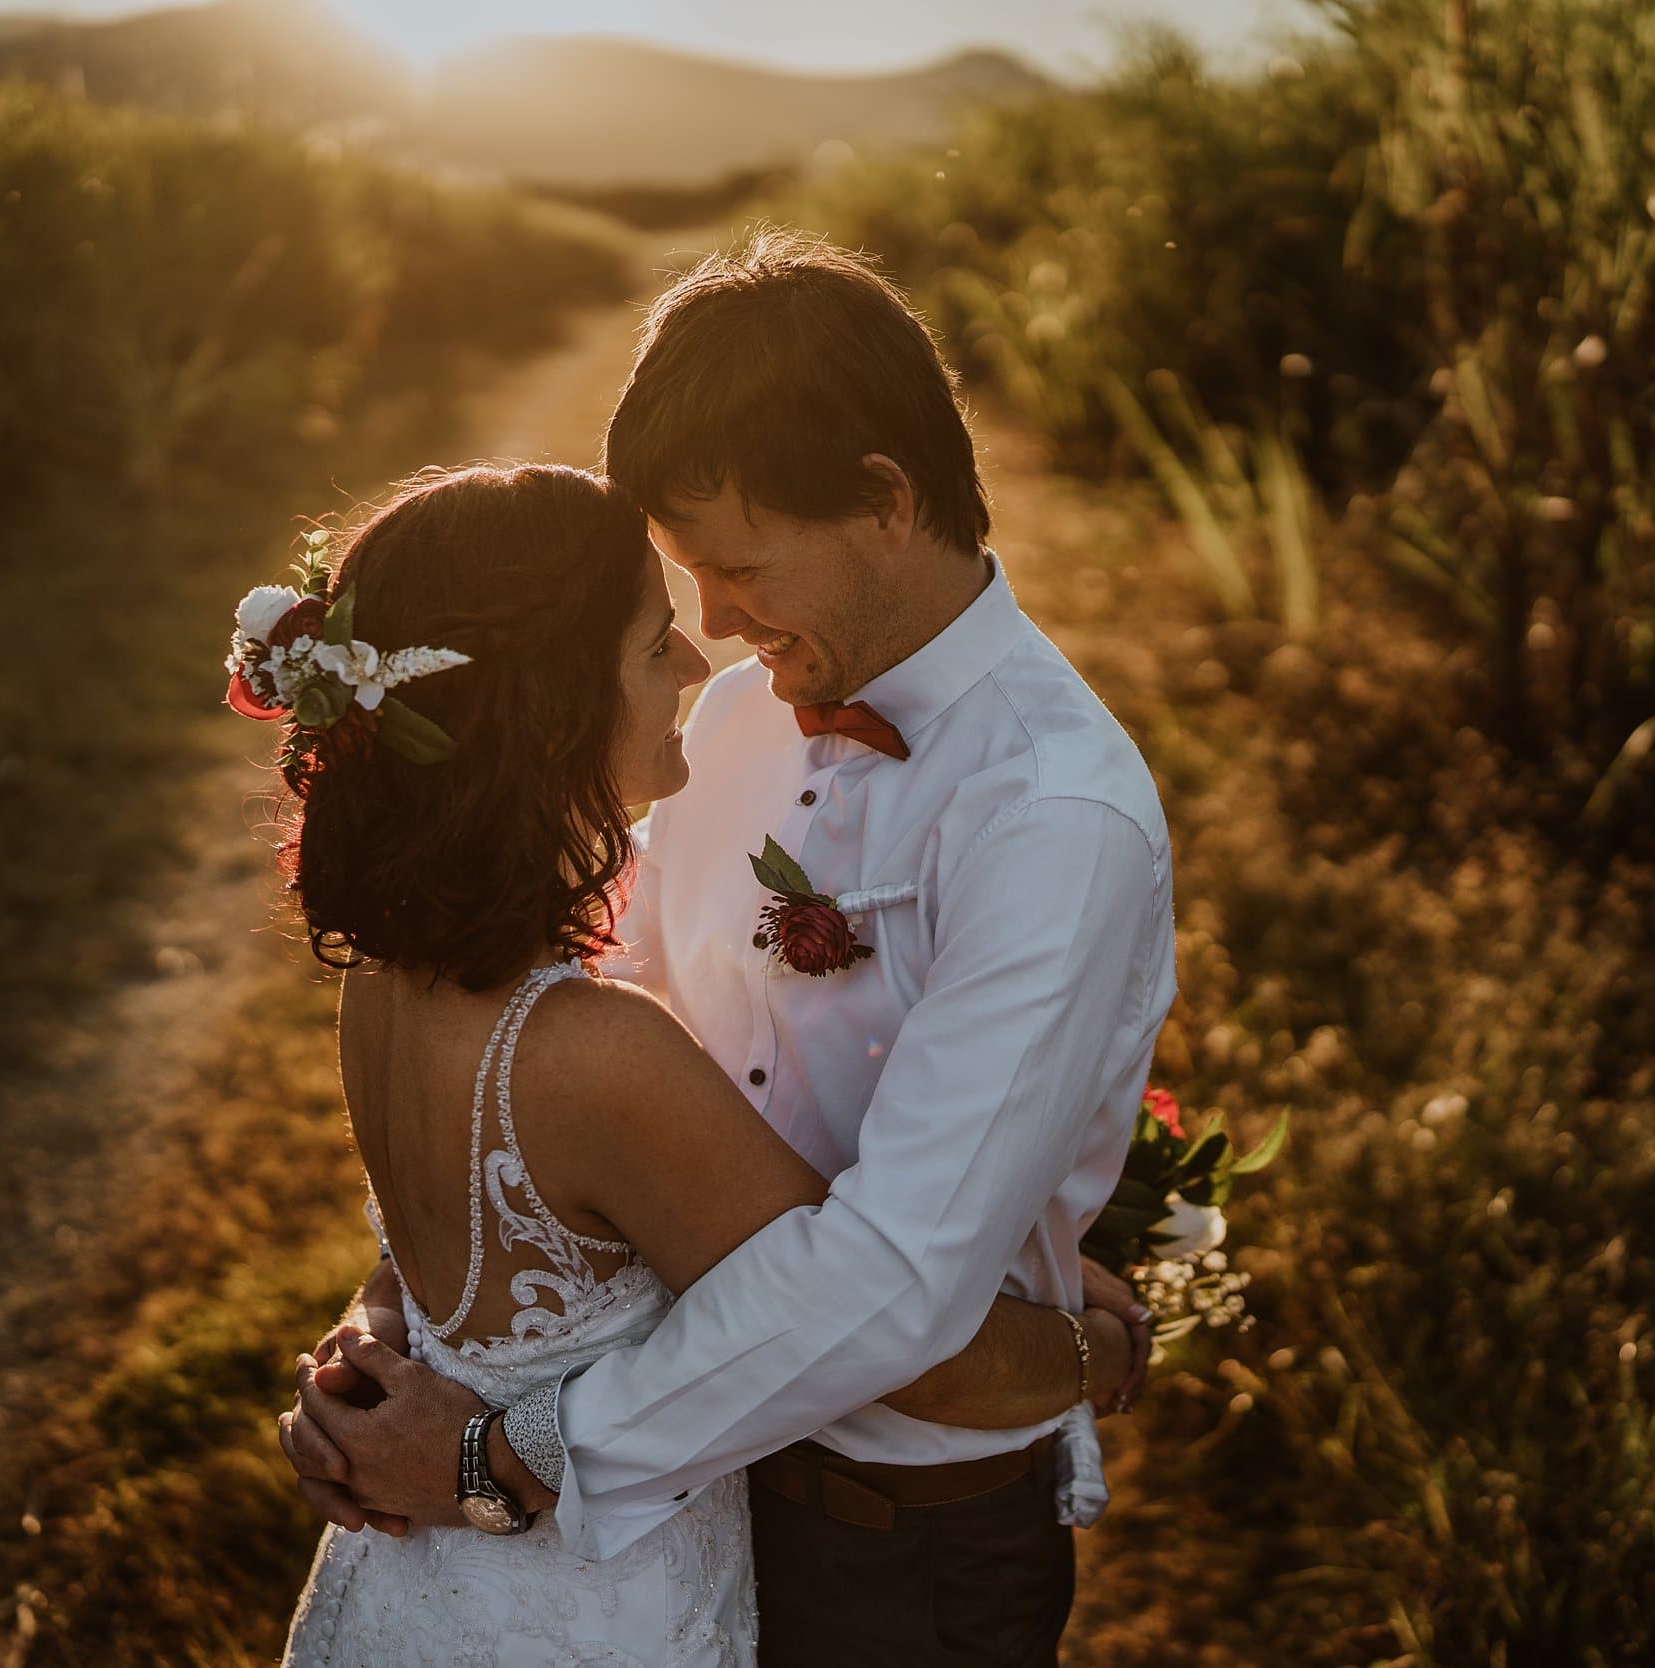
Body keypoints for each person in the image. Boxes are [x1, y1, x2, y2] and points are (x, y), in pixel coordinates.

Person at [278, 230, 1179, 1666]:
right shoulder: (743, 713)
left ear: (885, 501)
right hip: (683, 1489)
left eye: (741, 566)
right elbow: (578, 1028)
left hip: (894, 1529)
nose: (709, 628)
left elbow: (893, 1282)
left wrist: (509, 1451)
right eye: (682, 581)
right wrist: (421, 1320)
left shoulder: (1055, 816)